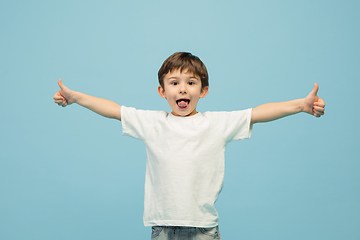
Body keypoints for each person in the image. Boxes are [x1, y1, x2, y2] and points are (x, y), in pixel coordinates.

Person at [53, 52, 325, 240]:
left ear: (203, 90)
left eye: (191, 83)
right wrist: (76, 97)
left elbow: (257, 113)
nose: (182, 89)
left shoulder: (216, 124)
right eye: (174, 83)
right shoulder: (152, 123)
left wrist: (300, 105)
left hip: (204, 229)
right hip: (163, 228)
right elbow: (114, 110)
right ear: (162, 91)